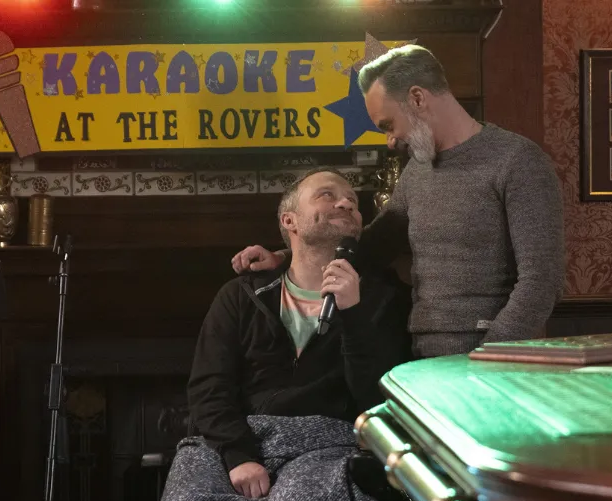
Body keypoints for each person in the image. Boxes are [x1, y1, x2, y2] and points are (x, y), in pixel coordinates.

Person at [231, 45, 564, 357]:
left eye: (388, 125)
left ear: (418, 98)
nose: (390, 142)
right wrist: (286, 257)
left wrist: (489, 357)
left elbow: (541, 283)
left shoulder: (518, 161)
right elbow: (373, 247)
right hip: (422, 355)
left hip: (494, 360)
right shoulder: (417, 170)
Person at [157, 168, 412, 501]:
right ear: (289, 221)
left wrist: (353, 316)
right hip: (238, 440)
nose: (346, 203)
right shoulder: (241, 296)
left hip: (327, 444)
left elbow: (376, 398)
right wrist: (239, 455)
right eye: (327, 195)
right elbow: (208, 387)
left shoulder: (383, 299)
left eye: (353, 203)